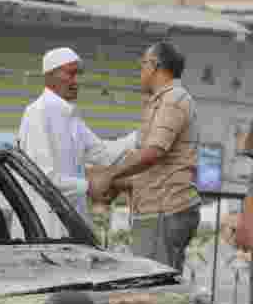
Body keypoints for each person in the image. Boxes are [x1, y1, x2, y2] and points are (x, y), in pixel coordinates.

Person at [88, 41, 201, 271]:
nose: (140, 72)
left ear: (155, 65)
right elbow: (149, 163)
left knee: (158, 291)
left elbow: (153, 154)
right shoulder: (161, 101)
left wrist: (110, 176)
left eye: (142, 65)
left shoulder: (173, 100)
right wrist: (118, 183)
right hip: (157, 210)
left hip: (165, 209)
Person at [18, 47, 137, 230]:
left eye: (78, 75)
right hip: (45, 222)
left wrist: (140, 136)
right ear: (50, 77)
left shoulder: (70, 116)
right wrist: (89, 186)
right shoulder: (38, 114)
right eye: (71, 74)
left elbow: (103, 154)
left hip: (72, 217)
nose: (76, 81)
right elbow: (41, 177)